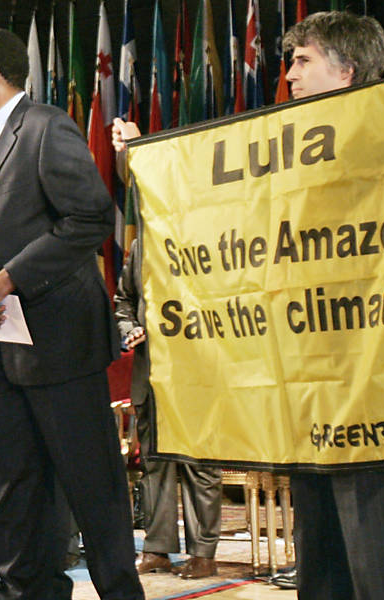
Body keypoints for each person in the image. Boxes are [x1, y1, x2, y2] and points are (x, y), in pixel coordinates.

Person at [113, 10, 384, 600]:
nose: (289, 75)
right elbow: (214, 208)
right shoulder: (282, 141)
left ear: (347, 69)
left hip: (372, 375)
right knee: (319, 546)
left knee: (375, 542)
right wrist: (142, 159)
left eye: (304, 61)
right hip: (304, 378)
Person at [0, 28, 144, 600]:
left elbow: (90, 218)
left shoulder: (46, 127)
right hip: (1, 345)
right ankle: (25, 590)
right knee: (17, 483)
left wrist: (11, 278)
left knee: (91, 484)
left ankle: (120, 592)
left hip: (60, 342)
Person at [114, 239, 222, 579]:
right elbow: (124, 301)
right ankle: (156, 550)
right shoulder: (142, 245)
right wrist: (130, 328)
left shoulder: (207, 235)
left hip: (198, 372)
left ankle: (203, 554)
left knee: (199, 465)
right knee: (154, 465)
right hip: (151, 374)